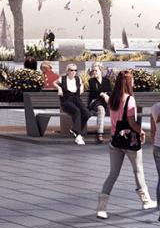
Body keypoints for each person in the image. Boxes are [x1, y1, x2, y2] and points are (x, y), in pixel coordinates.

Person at [97, 69, 154, 218]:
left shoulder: (113, 99)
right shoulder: (130, 99)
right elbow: (131, 122)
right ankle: (146, 200)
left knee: (113, 174)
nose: (134, 82)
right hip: (130, 142)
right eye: (132, 80)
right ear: (128, 82)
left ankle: (102, 208)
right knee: (138, 170)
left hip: (115, 141)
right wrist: (141, 131)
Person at [59, 62, 92, 144]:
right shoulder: (62, 78)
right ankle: (78, 134)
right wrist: (59, 88)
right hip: (66, 101)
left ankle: (75, 130)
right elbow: (54, 83)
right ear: (67, 71)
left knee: (87, 113)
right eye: (71, 70)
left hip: (77, 100)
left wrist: (82, 87)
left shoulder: (78, 79)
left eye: (75, 70)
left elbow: (82, 85)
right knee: (77, 111)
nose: (73, 72)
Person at [87, 63, 113, 142]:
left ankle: (117, 133)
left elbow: (110, 91)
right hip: (95, 103)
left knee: (118, 109)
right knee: (101, 109)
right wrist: (101, 94)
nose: (94, 72)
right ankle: (100, 134)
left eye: (96, 70)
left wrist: (106, 94)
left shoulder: (106, 81)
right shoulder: (91, 81)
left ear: (101, 71)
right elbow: (93, 93)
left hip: (105, 102)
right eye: (93, 71)